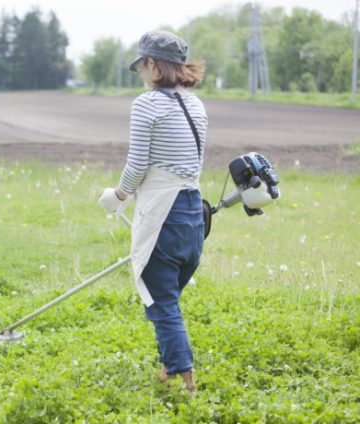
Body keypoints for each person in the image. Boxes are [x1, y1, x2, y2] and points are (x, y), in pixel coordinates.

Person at [98, 30, 207, 394]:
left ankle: (186, 379)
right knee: (167, 298)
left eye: (142, 64)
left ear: (151, 65)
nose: (141, 72)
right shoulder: (195, 105)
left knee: (161, 302)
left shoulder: (146, 104)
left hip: (164, 214)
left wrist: (117, 195)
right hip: (193, 213)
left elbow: (138, 164)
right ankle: (166, 369)